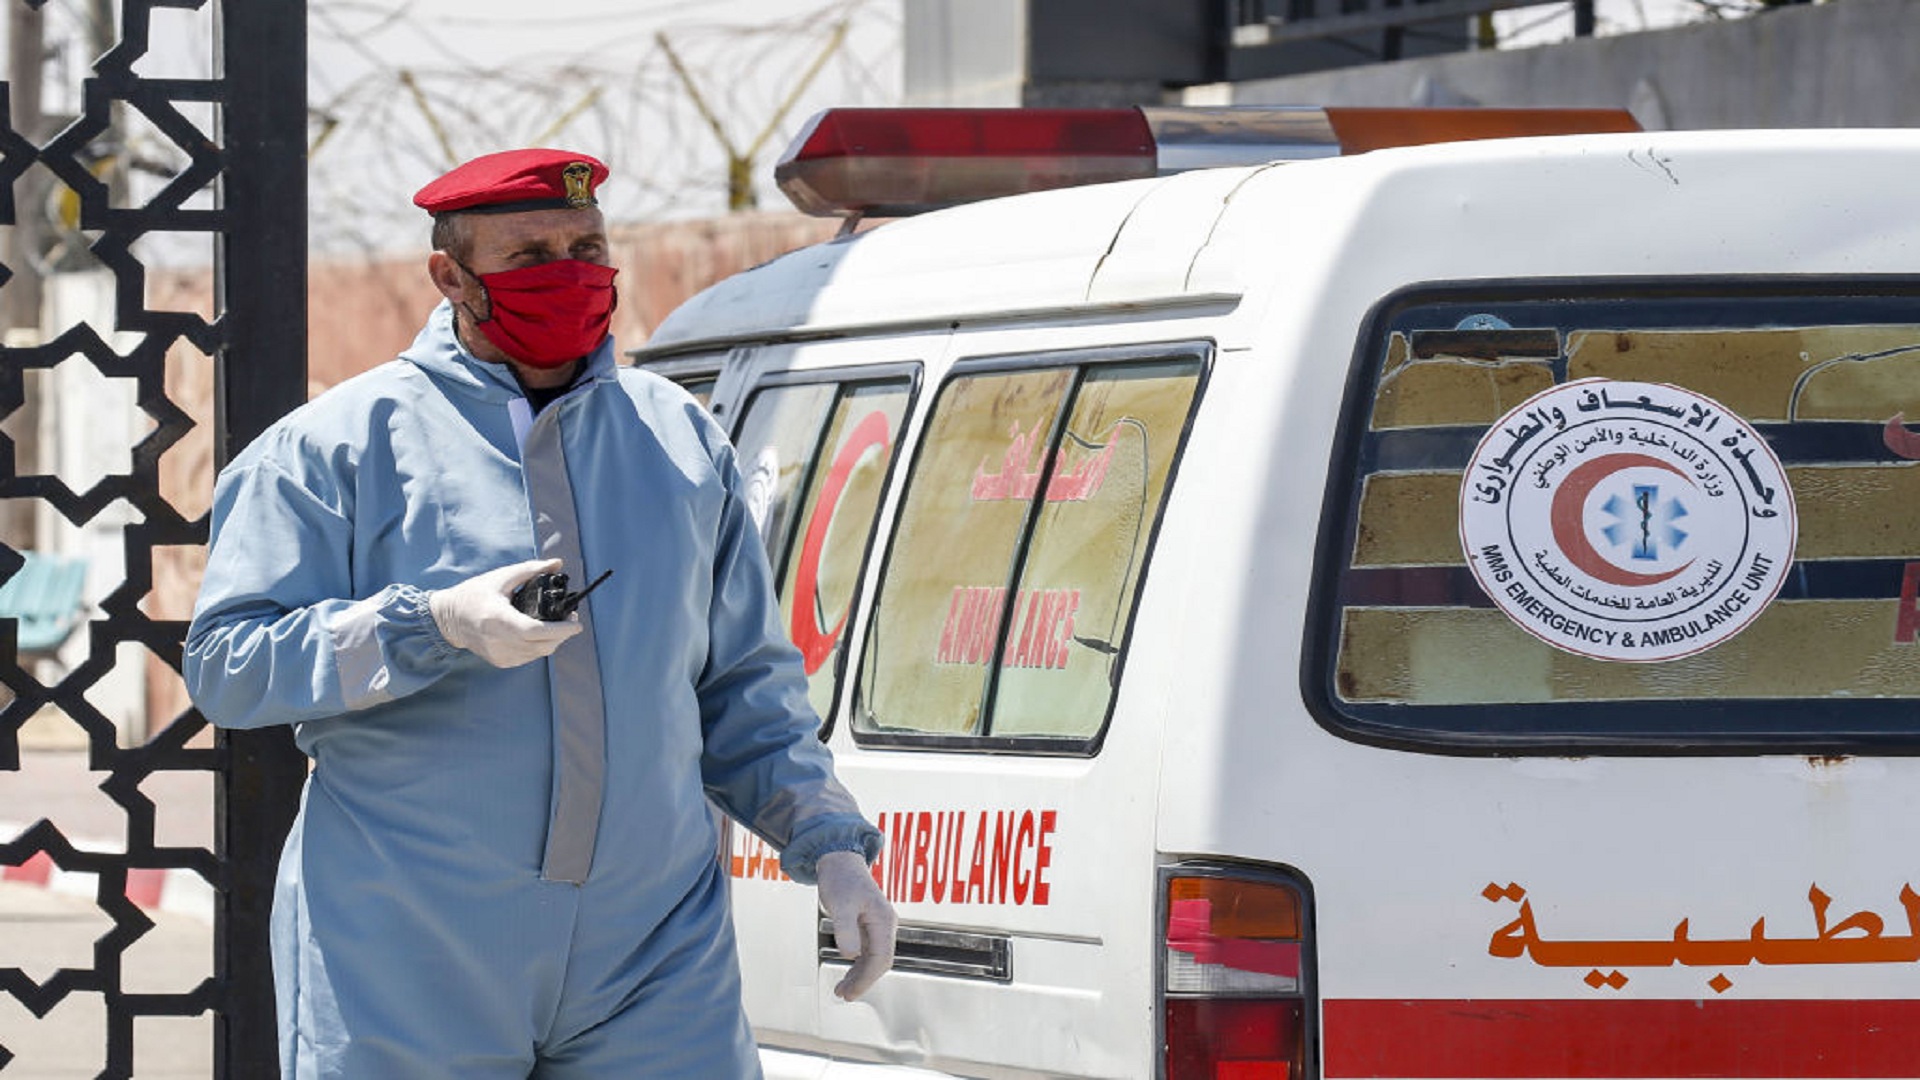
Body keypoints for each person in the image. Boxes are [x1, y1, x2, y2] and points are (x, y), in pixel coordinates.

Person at [184, 148, 896, 1079]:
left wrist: (829, 844)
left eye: (586, 244)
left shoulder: (676, 441)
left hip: (652, 953)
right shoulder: (332, 450)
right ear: (452, 277)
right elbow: (229, 667)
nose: (569, 270)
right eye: (530, 256)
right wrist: (428, 625)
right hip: (408, 945)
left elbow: (744, 684)